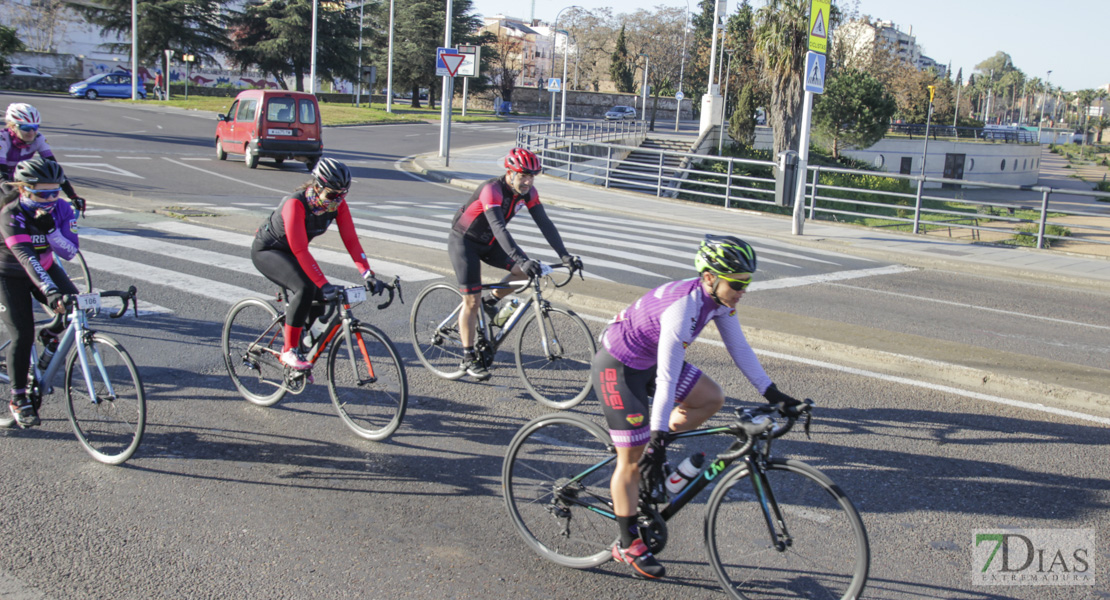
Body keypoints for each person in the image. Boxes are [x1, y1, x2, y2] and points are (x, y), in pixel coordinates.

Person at [590, 234, 802, 580]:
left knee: (710, 398)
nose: (743, 289)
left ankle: (651, 463)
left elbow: (739, 348)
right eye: (737, 282)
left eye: (748, 281)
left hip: (651, 360)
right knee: (631, 457)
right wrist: (656, 436)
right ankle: (626, 543)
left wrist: (773, 393)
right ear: (709, 277)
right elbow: (669, 379)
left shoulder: (719, 299)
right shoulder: (682, 310)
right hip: (620, 363)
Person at [448, 147, 580, 381]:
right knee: (471, 299)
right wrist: (521, 257)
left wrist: (564, 255)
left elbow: (545, 223)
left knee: (525, 273)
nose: (528, 181)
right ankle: (468, 357)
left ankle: (491, 301)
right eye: (523, 176)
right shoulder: (492, 190)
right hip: (465, 241)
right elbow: (499, 228)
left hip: (489, 242)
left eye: (531, 176)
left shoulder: (528, 193)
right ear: (509, 173)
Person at [251, 157, 386, 371]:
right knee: (305, 288)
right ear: (317, 186)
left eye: (342, 196)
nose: (337, 201)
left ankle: (302, 354)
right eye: (332, 195)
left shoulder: (336, 206)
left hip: (294, 253)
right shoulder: (295, 204)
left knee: (321, 300)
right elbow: (300, 250)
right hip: (270, 251)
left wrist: (367, 274)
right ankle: (288, 351)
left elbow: (351, 241)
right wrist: (323, 283)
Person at [0, 159, 80, 428]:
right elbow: (25, 258)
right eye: (42, 193)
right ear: (23, 189)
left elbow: (69, 252)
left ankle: (50, 335)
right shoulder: (11, 213)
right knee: (22, 334)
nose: (49, 199)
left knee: (76, 309)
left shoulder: (61, 208)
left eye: (54, 192)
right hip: (8, 275)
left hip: (45, 268)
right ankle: (18, 398)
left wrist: (52, 231)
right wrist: (50, 291)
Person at [0, 103, 86, 216]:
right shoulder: (2, 139)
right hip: (3, 176)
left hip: (14, 178)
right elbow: (2, 176)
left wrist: (73, 196)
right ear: (12, 126)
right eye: (25, 128)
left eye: (35, 127)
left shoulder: (38, 138)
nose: (31, 133)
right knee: (8, 209)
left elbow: (54, 170)